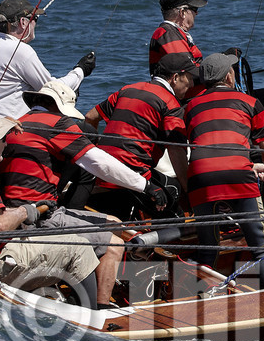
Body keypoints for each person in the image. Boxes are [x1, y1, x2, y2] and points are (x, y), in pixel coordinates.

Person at [0, 79, 149, 308]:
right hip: (40, 216)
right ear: (59, 106)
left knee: (115, 223)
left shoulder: (18, 122)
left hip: (17, 210)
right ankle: (102, 308)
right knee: (115, 243)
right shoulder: (57, 123)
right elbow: (99, 163)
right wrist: (145, 186)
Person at [0, 110, 102, 307]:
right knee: (80, 248)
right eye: (3, 139)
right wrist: (26, 212)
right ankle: (92, 316)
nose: (6, 144)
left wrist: (29, 208)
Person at [183, 53, 264, 289]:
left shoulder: (189, 107)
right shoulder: (250, 102)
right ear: (229, 76)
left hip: (200, 178)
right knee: (261, 249)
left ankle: (198, 300)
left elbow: (208, 147)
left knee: (208, 249)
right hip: (238, 177)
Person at [82, 52, 197, 219]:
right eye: (189, 78)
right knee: (174, 190)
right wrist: (189, 190)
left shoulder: (127, 89)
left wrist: (95, 148)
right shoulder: (170, 104)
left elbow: (90, 117)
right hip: (132, 176)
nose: (192, 83)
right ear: (175, 77)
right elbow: (176, 151)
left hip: (99, 169)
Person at [0, 0, 96, 119]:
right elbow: (54, 90)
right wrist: (81, 70)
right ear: (23, 22)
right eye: (35, 18)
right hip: (9, 132)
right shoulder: (19, 50)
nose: (35, 24)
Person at [148, 0, 206, 77]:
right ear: (182, 12)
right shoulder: (169, 34)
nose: (196, 13)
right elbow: (187, 72)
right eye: (194, 9)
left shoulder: (174, 33)